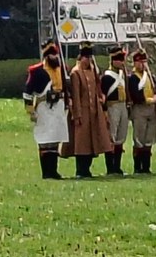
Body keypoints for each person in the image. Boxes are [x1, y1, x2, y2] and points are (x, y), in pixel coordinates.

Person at [66, 42, 116, 178]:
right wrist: (77, 114)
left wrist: (100, 98)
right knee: (81, 143)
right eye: (86, 58)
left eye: (89, 58)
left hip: (94, 111)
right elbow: (76, 95)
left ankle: (87, 168)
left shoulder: (93, 72)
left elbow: (96, 89)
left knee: (93, 141)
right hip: (82, 111)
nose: (88, 61)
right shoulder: (76, 73)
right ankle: (80, 169)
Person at [23, 41, 68, 179]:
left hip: (58, 107)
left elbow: (66, 88)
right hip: (43, 107)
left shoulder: (62, 69)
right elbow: (27, 92)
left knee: (55, 139)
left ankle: (53, 170)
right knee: (44, 140)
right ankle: (46, 172)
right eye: (52, 55)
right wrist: (30, 109)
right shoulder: (36, 71)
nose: (55, 57)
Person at [126, 48, 156, 175]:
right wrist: (151, 100)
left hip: (151, 110)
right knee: (139, 138)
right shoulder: (133, 78)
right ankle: (138, 167)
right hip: (140, 109)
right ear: (135, 63)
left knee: (149, 138)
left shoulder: (150, 77)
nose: (143, 65)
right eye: (140, 62)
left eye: (144, 62)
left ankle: (146, 166)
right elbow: (136, 95)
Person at [100, 47, 130, 176]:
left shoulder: (123, 75)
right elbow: (103, 96)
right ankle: (110, 167)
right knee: (111, 136)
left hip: (123, 105)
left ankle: (117, 166)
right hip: (112, 106)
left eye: (122, 60)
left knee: (121, 137)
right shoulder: (107, 77)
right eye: (118, 60)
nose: (121, 62)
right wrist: (105, 111)